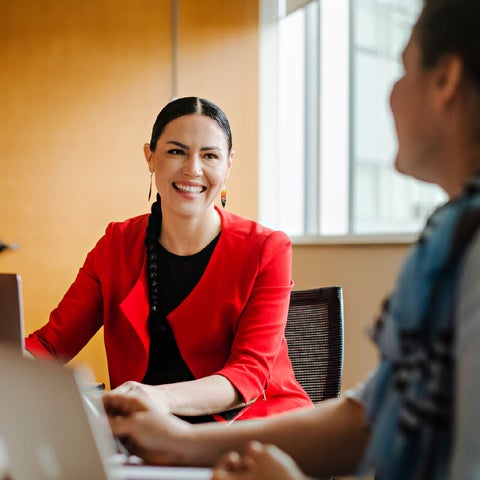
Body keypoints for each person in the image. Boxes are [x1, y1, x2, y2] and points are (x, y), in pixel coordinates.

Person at [102, 0, 480, 478]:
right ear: (151, 158)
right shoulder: (451, 236)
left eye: (403, 70)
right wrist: (180, 442)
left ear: (445, 80)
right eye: (176, 151)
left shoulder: (469, 252)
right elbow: (370, 417)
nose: (392, 94)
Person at [25, 96, 313, 423]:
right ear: (150, 157)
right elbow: (49, 345)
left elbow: (248, 374)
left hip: (253, 429)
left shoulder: (266, 249)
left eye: (209, 156)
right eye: (177, 151)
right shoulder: (116, 244)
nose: (193, 168)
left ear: (228, 164)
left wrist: (155, 397)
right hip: (150, 439)